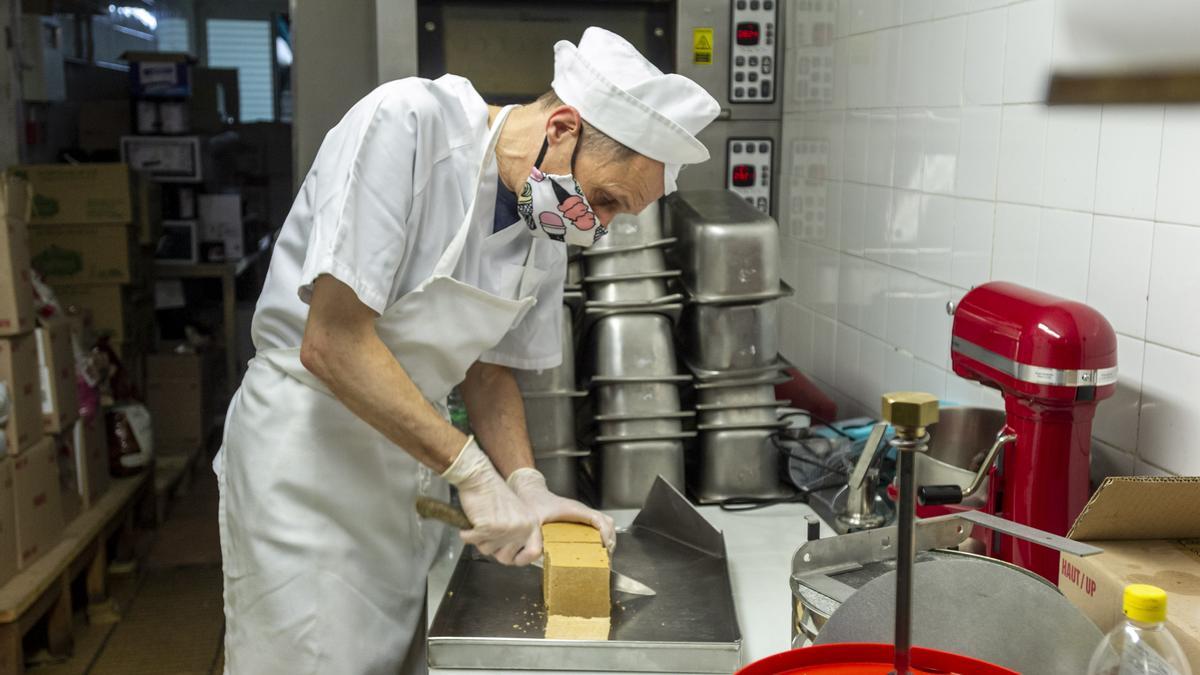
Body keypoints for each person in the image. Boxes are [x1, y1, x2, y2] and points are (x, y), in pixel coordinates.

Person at [214, 26, 720, 674]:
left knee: (393, 655)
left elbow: (490, 369)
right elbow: (333, 342)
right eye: (605, 200)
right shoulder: (409, 127)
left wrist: (525, 483)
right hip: (306, 462)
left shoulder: (544, 224)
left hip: (406, 463)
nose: (597, 229)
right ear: (562, 126)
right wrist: (474, 473)